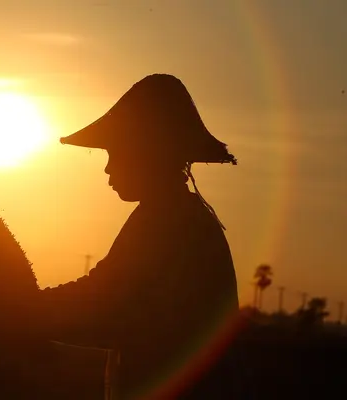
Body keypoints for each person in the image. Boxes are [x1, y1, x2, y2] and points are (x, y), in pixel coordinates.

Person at [34, 74, 243, 399]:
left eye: (115, 152)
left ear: (147, 152)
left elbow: (105, 305)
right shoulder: (175, 215)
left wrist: (22, 308)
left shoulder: (168, 221)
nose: (107, 168)